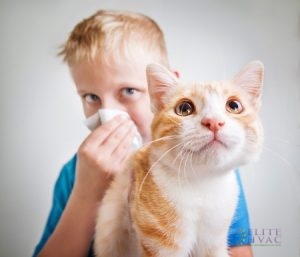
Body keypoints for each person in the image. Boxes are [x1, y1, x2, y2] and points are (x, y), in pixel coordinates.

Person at [33, 10, 253, 257]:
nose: (107, 113)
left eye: (128, 91)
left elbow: (240, 246)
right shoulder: (75, 173)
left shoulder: (210, 161)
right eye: (91, 97)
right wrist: (86, 193)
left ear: (162, 94)